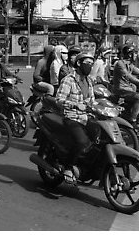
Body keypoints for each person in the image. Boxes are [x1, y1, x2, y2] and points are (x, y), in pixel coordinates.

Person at [55, 52, 99, 184]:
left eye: (92, 64)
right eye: (87, 63)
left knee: (100, 137)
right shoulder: (69, 79)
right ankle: (68, 167)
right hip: (71, 117)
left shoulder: (89, 81)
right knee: (82, 141)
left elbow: (92, 101)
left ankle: (86, 165)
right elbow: (59, 100)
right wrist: (75, 104)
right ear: (79, 63)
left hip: (86, 117)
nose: (90, 66)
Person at [112, 44, 139, 131]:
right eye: (135, 54)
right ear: (130, 55)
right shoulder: (120, 64)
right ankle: (133, 120)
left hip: (128, 89)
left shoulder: (130, 65)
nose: (136, 56)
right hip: (121, 90)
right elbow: (129, 76)